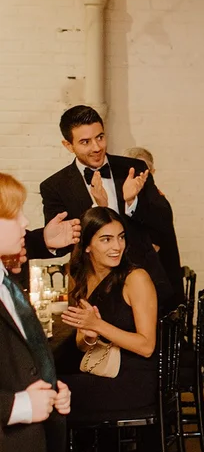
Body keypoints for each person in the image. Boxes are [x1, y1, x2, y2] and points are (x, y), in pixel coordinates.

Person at [0, 172, 72, 452]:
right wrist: (22, 405)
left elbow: (23, 348)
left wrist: (49, 385)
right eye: (15, 214)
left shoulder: (5, 278)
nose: (26, 221)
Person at [60, 207, 159, 452]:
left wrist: (99, 326)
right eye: (105, 239)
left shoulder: (135, 278)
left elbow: (146, 346)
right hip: (103, 370)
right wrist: (89, 333)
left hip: (134, 378)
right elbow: (81, 339)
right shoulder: (78, 276)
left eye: (120, 237)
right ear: (87, 245)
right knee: (53, 388)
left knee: (54, 398)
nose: (116, 246)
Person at [40, 105, 179, 310]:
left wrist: (132, 202)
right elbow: (59, 243)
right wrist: (98, 207)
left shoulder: (134, 168)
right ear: (68, 145)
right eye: (85, 142)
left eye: (100, 137)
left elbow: (164, 221)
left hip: (146, 281)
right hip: (93, 289)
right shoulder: (54, 186)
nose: (96, 147)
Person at [121, 146, 184, 309]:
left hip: (161, 292)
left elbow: (149, 250)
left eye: (142, 171)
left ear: (152, 172)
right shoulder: (129, 202)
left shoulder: (157, 203)